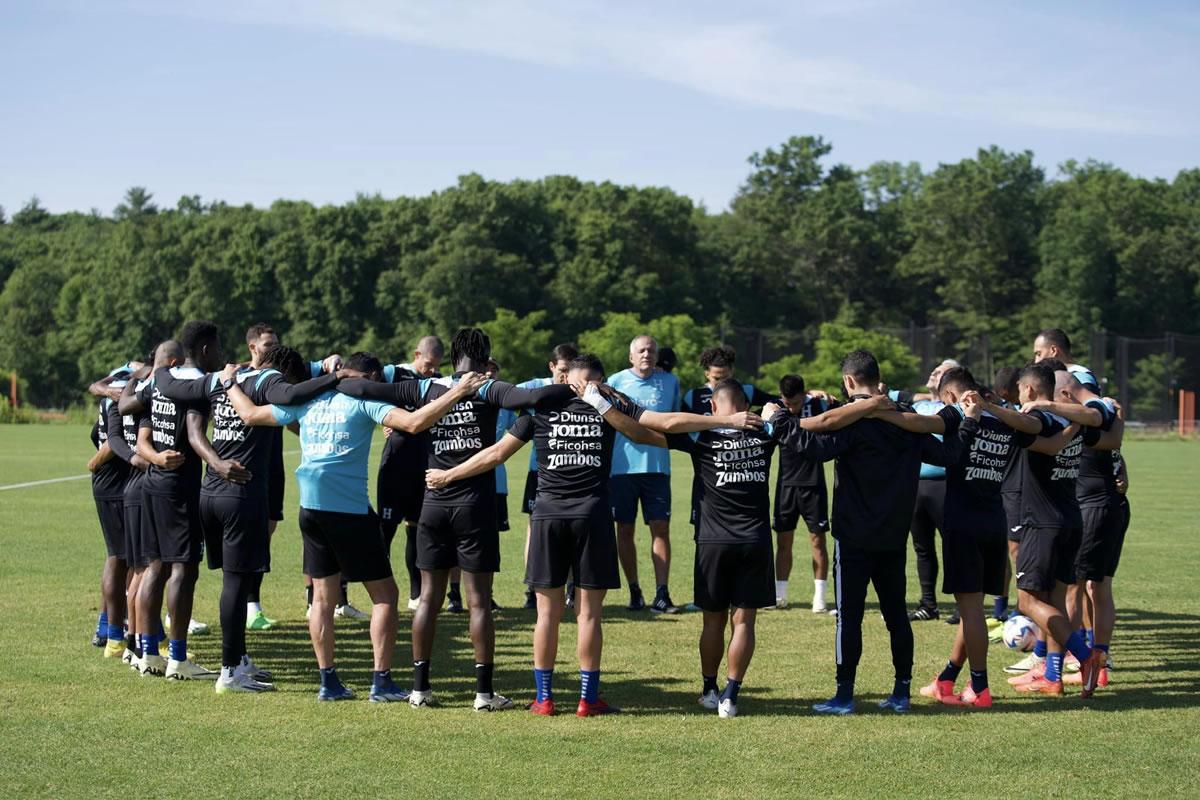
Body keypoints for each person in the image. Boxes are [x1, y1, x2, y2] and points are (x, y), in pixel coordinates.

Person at [424, 354, 733, 716]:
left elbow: (495, 454)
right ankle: (587, 699)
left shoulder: (542, 408)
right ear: (599, 381)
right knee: (589, 615)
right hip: (592, 516)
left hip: (547, 517)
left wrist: (448, 475)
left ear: (567, 376)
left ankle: (544, 698)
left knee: (546, 614)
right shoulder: (608, 406)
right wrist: (709, 432)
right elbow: (650, 432)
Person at [224, 352, 484, 701]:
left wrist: (228, 382)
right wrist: (458, 392)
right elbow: (414, 423)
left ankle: (328, 683)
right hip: (348, 512)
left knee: (322, 599)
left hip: (310, 509)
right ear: (369, 377)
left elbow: (251, 414)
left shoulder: (309, 400)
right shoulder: (365, 400)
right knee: (386, 597)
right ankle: (381, 682)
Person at [337, 328, 574, 709]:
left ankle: (419, 689)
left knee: (428, 598)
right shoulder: (489, 388)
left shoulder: (426, 389)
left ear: (451, 357)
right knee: (478, 601)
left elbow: (359, 391)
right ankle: (483, 694)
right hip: (475, 505)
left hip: (432, 504)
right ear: (485, 358)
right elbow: (533, 397)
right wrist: (576, 387)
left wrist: (334, 376)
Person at [767, 350, 949, 716]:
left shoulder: (852, 423)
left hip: (853, 536)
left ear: (849, 382)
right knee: (896, 614)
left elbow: (812, 447)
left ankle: (844, 695)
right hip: (894, 534)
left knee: (848, 616)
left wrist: (780, 420)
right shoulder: (906, 421)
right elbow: (948, 453)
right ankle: (901, 692)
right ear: (877, 379)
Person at [154, 344, 343, 693]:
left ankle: (238, 658)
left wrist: (160, 368)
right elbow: (292, 392)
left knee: (233, 580)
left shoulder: (225, 378)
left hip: (209, 492)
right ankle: (230, 672)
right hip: (241, 494)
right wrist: (335, 378)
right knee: (236, 584)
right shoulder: (268, 380)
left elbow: (173, 389)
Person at [874, 367, 1016, 708]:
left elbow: (922, 426)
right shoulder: (1004, 419)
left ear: (950, 396)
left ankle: (979, 687)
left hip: (964, 521)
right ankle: (947, 678)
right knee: (973, 610)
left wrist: (882, 411)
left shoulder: (955, 414)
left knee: (970, 609)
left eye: (941, 399)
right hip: (995, 518)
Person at [119, 322, 225, 680]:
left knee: (155, 567)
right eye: (219, 348)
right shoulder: (192, 388)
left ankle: (149, 653)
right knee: (183, 569)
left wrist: (154, 457)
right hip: (178, 488)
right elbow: (195, 436)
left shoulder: (160, 382)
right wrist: (219, 464)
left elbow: (141, 432)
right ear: (206, 351)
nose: (222, 354)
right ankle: (178, 659)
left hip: (151, 483)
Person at [1000, 363, 1109, 697]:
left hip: (1042, 523)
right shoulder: (1073, 420)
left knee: (1029, 601)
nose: (1019, 395)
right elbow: (1100, 419)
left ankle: (1086, 655)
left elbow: (1031, 427)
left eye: (1020, 389)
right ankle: (1053, 676)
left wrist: (992, 409)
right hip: (1070, 519)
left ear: (1030, 390)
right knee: (1056, 604)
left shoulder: (1043, 418)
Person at [608, 335, 681, 613]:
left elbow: (676, 419)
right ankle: (634, 590)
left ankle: (662, 594)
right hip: (622, 469)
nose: (646, 354)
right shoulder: (615, 381)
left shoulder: (670, 382)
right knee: (624, 529)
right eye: (641, 350)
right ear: (631, 356)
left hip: (658, 469)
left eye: (651, 350)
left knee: (660, 529)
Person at [376, 335, 444, 612]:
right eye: (428, 364)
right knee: (385, 531)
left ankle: (416, 595)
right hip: (394, 467)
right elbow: (366, 392)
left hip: (423, 466)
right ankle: (373, 591)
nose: (431, 370)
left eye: (436, 365)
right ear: (417, 354)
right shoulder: (394, 373)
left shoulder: (439, 381)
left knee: (417, 532)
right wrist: (379, 417)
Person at [681, 346, 776, 534]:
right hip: (707, 470)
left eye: (725, 377)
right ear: (707, 373)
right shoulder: (693, 397)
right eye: (716, 378)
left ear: (732, 372)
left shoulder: (745, 391)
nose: (720, 383)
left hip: (741, 462)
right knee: (704, 527)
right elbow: (678, 423)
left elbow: (780, 402)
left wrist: (810, 394)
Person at [516, 344, 578, 610]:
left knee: (575, 531)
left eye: (570, 371)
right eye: (562, 371)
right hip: (540, 471)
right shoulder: (536, 386)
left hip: (574, 470)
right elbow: (508, 396)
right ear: (552, 367)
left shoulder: (581, 387)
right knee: (536, 530)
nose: (566, 377)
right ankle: (533, 587)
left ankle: (572, 589)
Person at [772, 374, 835, 612]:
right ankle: (780, 596)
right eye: (787, 403)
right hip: (786, 485)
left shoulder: (819, 405)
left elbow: (841, 407)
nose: (791, 408)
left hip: (814, 485)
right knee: (783, 542)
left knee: (818, 541)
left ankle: (819, 599)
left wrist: (820, 394)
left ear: (805, 395)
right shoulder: (776, 409)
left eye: (796, 404)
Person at [87, 363, 136, 659]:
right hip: (113, 482)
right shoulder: (120, 398)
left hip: (112, 481)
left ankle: (109, 626)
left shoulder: (112, 392)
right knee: (120, 557)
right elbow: (108, 442)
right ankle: (115, 631)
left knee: (121, 556)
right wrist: (96, 460)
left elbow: (96, 432)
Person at [907, 359, 959, 623]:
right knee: (922, 547)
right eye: (934, 368)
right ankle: (928, 604)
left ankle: (964, 604)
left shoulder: (954, 409)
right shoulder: (917, 404)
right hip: (917, 485)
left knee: (953, 544)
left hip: (944, 484)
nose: (933, 372)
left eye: (940, 371)